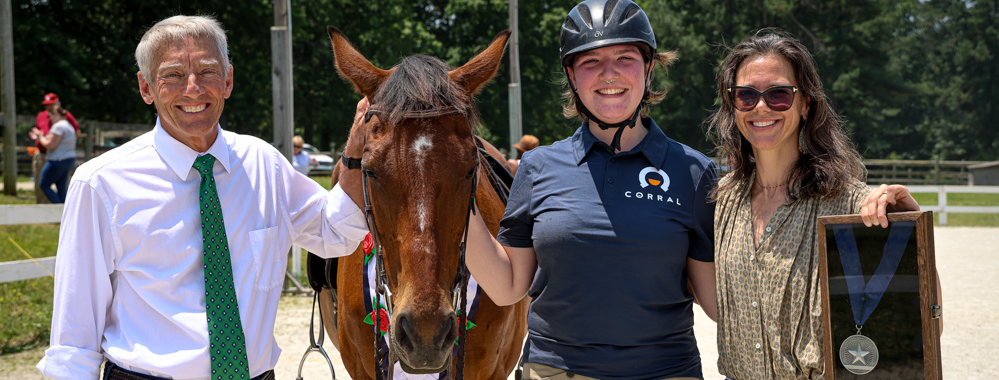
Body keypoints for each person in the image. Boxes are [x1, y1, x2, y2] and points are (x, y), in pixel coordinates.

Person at [37, 15, 369, 380]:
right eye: (173, 75)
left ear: (228, 80)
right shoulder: (100, 184)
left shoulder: (264, 165)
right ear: (146, 87)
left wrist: (355, 153)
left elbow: (336, 232)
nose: (193, 89)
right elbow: (74, 340)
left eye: (208, 71)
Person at [464, 0, 717, 378]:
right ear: (571, 75)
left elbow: (715, 303)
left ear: (649, 68)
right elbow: (507, 288)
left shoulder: (694, 171)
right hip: (553, 371)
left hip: (666, 370)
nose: (609, 75)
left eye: (625, 58)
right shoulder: (538, 167)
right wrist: (453, 208)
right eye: (590, 62)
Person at [705, 30, 921, 380]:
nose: (761, 107)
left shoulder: (850, 204)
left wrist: (910, 231)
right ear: (733, 104)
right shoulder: (723, 200)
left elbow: (920, 318)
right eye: (746, 95)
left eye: (778, 94)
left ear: (805, 103)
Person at [32, 93, 80, 204]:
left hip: (57, 160)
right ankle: (66, 215)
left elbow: (50, 145)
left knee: (44, 185)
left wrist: (39, 136)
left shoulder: (58, 126)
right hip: (66, 159)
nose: (49, 117)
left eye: (52, 115)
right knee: (61, 189)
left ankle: (59, 213)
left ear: (58, 113)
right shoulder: (66, 124)